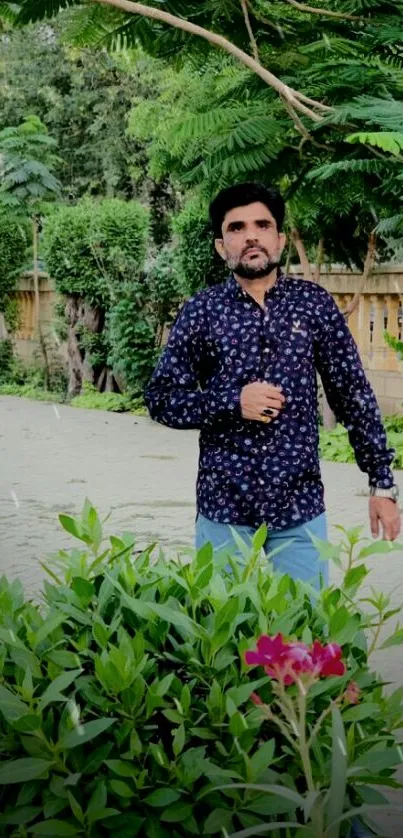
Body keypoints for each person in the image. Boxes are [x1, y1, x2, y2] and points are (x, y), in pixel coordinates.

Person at [145, 182, 401, 589]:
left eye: (262, 225)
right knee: (221, 637)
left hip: (299, 506)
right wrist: (231, 402)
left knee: (305, 635)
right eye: (237, 227)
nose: (251, 235)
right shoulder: (202, 311)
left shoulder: (313, 305)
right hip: (223, 506)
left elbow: (352, 394)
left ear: (279, 239)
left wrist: (382, 484)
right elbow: (161, 399)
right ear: (220, 245)